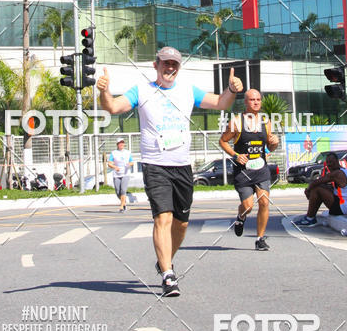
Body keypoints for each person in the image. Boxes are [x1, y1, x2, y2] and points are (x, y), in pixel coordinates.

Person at [98, 46, 243, 296]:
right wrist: (104, 91)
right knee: (162, 218)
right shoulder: (141, 90)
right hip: (155, 165)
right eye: (165, 63)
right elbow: (112, 107)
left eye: (174, 64)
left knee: (181, 224)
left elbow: (221, 103)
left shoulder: (188, 90)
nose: (170, 68)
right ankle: (168, 274)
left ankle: (164, 260)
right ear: (156, 65)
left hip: (182, 166)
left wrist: (231, 89)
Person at [219, 89, 279, 251]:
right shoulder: (236, 122)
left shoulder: (266, 122)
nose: (256, 102)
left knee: (264, 202)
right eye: (252, 99)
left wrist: (275, 142)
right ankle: (241, 217)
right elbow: (223, 141)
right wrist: (235, 155)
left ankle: (260, 239)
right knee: (248, 206)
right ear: (245, 102)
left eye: (258, 99)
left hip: (261, 170)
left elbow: (270, 147)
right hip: (243, 172)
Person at [297, 152, 347, 226]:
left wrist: (308, 190)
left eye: (331, 162)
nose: (329, 165)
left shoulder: (337, 173)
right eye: (328, 163)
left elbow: (316, 182)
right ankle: (311, 216)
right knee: (321, 187)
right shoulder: (344, 171)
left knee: (317, 189)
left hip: (344, 207)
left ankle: (309, 218)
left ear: (337, 162)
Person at [107, 138, 134, 211]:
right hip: (116, 174)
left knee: (123, 190)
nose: (121, 144)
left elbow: (132, 162)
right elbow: (109, 163)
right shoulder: (114, 153)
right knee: (118, 191)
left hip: (125, 174)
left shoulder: (128, 152)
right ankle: (123, 202)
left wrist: (129, 164)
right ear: (117, 144)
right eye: (120, 143)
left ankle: (121, 206)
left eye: (122, 143)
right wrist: (115, 167)